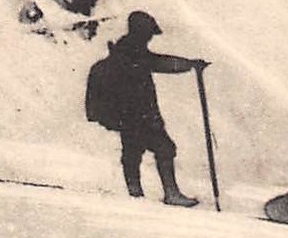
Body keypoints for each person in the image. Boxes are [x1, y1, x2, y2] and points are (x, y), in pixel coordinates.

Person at [85, 11, 209, 206]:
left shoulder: (126, 51)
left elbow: (158, 62)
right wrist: (189, 65)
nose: (151, 37)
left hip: (130, 115)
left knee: (134, 152)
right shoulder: (133, 53)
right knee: (163, 148)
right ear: (141, 33)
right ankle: (168, 193)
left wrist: (189, 64)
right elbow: (160, 63)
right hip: (139, 114)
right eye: (149, 33)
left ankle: (136, 192)